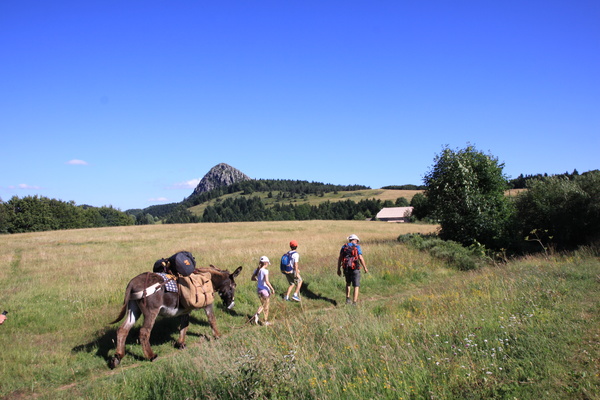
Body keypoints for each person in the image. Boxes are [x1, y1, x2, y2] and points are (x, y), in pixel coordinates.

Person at [337, 234, 368, 305]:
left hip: (346, 267)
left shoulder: (344, 246)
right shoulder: (357, 247)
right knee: (356, 285)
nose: (357, 242)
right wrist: (365, 267)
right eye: (357, 240)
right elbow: (360, 257)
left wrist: (338, 269)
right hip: (355, 268)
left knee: (348, 283)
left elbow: (340, 258)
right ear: (355, 240)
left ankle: (348, 299)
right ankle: (354, 302)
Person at [251, 256, 275, 325]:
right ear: (266, 263)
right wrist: (272, 289)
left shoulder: (257, 270)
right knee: (266, 307)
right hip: (265, 290)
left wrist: (258, 280)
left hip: (259, 289)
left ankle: (256, 315)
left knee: (263, 304)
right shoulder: (265, 271)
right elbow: (267, 281)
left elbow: (252, 278)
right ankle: (265, 321)